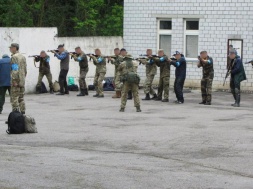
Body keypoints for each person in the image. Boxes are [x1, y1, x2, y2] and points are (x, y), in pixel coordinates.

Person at [9, 43, 27, 114]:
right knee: (21, 97)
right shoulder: (22, 56)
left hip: (16, 80)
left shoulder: (14, 57)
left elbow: (15, 69)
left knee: (14, 97)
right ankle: (23, 112)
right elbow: (25, 69)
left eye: (11, 48)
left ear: (14, 48)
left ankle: (15, 114)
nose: (10, 49)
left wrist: (14, 80)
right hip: (22, 80)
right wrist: (23, 78)